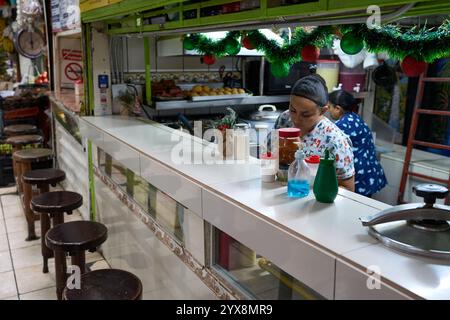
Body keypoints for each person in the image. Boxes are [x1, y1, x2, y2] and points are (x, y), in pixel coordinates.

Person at [273, 75, 356, 192]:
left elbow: (348, 188)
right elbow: (269, 156)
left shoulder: (335, 140)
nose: (296, 119)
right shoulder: (285, 119)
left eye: (305, 115)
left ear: (323, 111)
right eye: (293, 110)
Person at [329, 90, 387, 197]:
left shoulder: (342, 125)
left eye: (330, 107)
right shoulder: (355, 118)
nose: (328, 111)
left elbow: (332, 149)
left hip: (359, 175)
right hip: (370, 171)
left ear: (337, 108)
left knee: (354, 209)